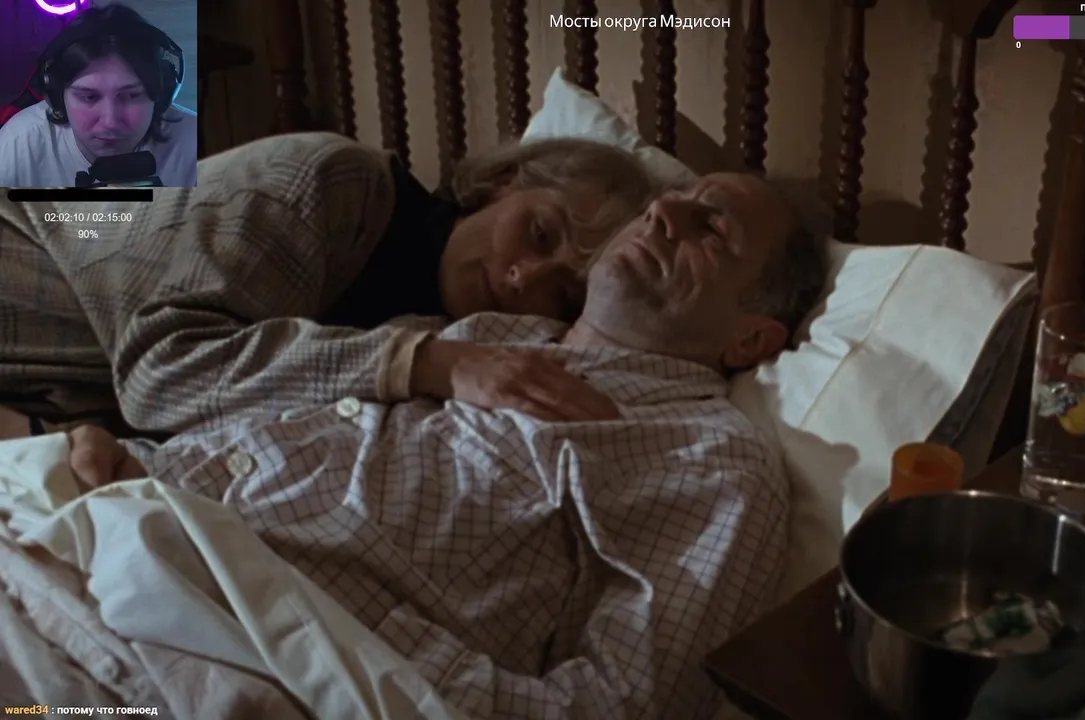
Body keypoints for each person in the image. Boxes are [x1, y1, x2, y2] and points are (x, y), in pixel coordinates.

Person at [7, 171, 828, 718]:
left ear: (753, 337)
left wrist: (351, 638)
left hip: (201, 650)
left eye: (710, 229)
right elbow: (213, 407)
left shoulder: (711, 461)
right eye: (673, 197)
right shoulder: (468, 335)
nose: (662, 214)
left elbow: (622, 703)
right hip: (83, 528)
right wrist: (113, 452)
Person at [0, 131, 655, 437]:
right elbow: (163, 374)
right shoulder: (333, 184)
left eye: (562, 293)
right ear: (501, 184)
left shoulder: (440, 323)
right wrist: (430, 364)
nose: (523, 277)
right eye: (538, 233)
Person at [0, 5, 199, 188]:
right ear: (58, 97)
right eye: (89, 97)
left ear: (161, 94)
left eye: (131, 95)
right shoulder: (18, 144)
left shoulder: (197, 143)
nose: (110, 122)